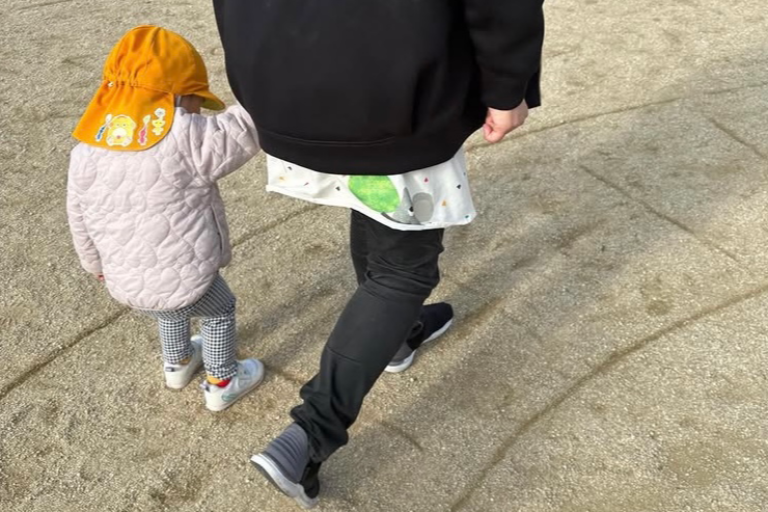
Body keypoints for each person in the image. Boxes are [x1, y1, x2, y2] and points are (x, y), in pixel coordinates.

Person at [214, 0, 545, 507]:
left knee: (373, 194)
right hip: (398, 88)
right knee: (403, 269)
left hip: (286, 78)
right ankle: (309, 435)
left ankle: (396, 338)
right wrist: (507, 87)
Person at [67, 25, 264, 412]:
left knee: (168, 310)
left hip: (125, 280)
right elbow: (241, 129)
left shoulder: (85, 150)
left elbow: (78, 215)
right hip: (190, 276)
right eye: (194, 99)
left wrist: (95, 265)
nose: (196, 109)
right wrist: (269, 88)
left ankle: (177, 363)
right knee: (219, 309)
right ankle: (222, 380)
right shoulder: (186, 137)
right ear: (173, 97)